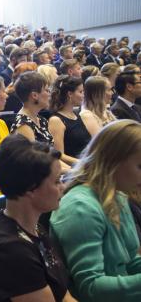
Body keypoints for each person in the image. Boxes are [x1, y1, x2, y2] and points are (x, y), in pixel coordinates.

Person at [0, 134, 75, 302]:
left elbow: (63, 294)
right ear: (30, 189)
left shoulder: (35, 228)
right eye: (57, 181)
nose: (63, 187)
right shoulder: (11, 251)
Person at [50, 120, 141, 302]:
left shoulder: (118, 195)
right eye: (140, 166)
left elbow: (130, 261)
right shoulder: (79, 208)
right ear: (113, 161)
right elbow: (91, 287)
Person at [10, 72, 75, 169]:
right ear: (34, 95)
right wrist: (71, 171)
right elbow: (37, 162)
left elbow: (53, 155)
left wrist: (79, 166)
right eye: (46, 90)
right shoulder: (22, 125)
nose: (50, 94)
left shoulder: (41, 120)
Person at [48, 75, 91, 159]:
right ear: (70, 94)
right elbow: (59, 155)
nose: (83, 95)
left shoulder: (77, 114)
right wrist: (83, 163)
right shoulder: (56, 120)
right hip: (76, 166)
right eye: (81, 92)